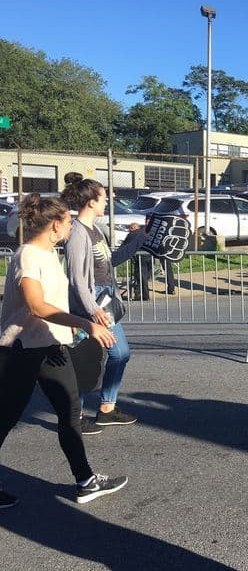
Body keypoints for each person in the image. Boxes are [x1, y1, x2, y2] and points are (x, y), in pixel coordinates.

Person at [0, 194, 127, 508]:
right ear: (55, 225)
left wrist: (68, 326)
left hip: (50, 347)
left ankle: (85, 481)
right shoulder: (28, 254)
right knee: (5, 418)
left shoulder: (49, 254)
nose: (72, 226)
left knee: (70, 412)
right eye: (69, 221)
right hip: (21, 349)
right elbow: (35, 304)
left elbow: (50, 305)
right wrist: (85, 324)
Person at [61, 174, 145, 434]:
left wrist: (136, 241)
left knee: (120, 354)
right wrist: (92, 309)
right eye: (104, 198)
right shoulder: (77, 233)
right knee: (83, 360)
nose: (107, 202)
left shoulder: (96, 230)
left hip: (105, 298)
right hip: (89, 302)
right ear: (91, 201)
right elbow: (76, 278)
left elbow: (110, 263)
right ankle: (75, 417)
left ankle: (106, 409)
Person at [123, 222, 152, 301]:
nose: (129, 230)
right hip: (149, 257)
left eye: (130, 228)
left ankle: (144, 296)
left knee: (141, 278)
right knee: (144, 277)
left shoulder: (132, 235)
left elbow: (124, 245)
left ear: (133, 228)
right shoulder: (145, 233)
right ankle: (140, 294)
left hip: (140, 258)